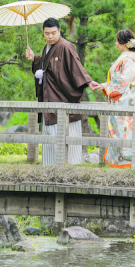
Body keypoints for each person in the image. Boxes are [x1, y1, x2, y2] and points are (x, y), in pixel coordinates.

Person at [25, 18, 102, 165]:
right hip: (49, 98)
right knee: (50, 137)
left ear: (59, 31)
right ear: (43, 33)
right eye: (47, 33)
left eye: (53, 33)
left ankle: (68, 166)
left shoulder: (66, 46)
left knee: (64, 136)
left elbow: (76, 66)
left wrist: (88, 82)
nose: (50, 36)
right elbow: (47, 66)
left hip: (62, 98)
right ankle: (50, 167)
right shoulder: (47, 48)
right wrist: (34, 58)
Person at [101, 30, 135, 168]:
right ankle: (126, 162)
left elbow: (122, 82)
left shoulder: (126, 61)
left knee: (124, 131)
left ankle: (127, 162)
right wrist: (106, 85)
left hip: (124, 102)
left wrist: (106, 87)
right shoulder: (128, 60)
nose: (115, 43)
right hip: (129, 101)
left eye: (117, 40)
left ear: (123, 43)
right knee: (127, 131)